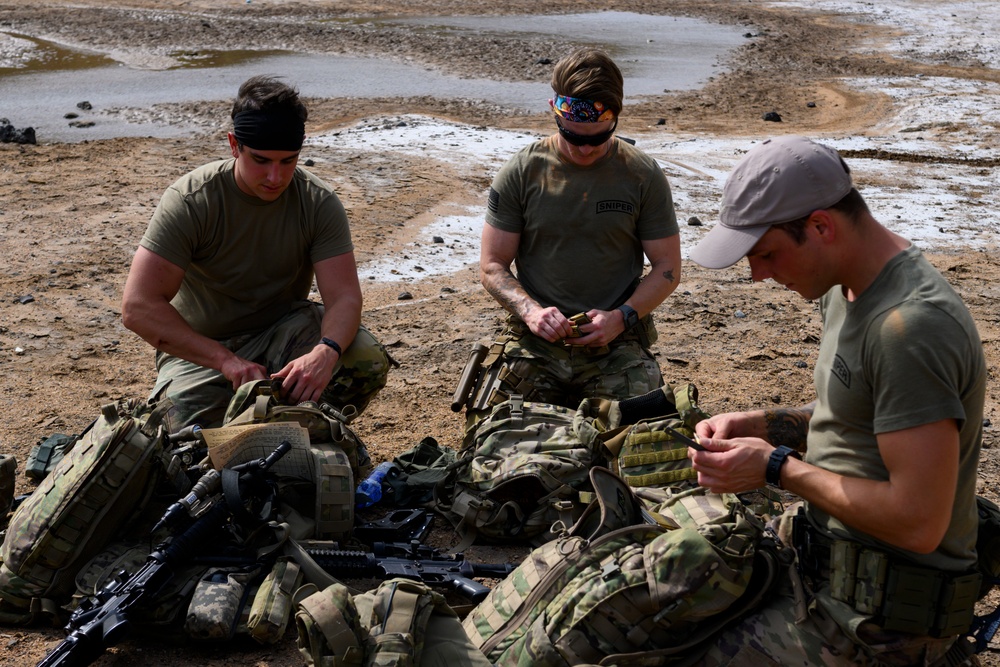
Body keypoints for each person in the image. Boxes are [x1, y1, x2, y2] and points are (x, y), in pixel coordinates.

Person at [686, 135, 986, 665]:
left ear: (822, 226)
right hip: (828, 564)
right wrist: (763, 423)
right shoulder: (844, 286)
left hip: (883, 622)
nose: (758, 275)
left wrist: (776, 468)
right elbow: (858, 413)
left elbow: (920, 523)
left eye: (767, 254)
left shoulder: (909, 328)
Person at [122, 75, 393, 433]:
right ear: (235, 145)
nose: (274, 177)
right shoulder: (192, 200)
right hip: (205, 350)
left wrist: (325, 351)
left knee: (364, 359)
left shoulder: (317, 202)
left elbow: (343, 297)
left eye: (288, 161)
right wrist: (226, 361)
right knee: (174, 437)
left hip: (283, 333)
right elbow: (138, 308)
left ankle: (302, 430)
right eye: (261, 160)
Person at [475, 48, 681, 412]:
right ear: (554, 112)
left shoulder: (641, 175)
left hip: (615, 344)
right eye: (572, 136)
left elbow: (667, 267)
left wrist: (622, 318)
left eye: (598, 138)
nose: (585, 149)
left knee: (645, 436)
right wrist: (531, 312)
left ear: (615, 118)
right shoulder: (521, 173)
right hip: (535, 342)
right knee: (492, 438)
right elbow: (492, 266)